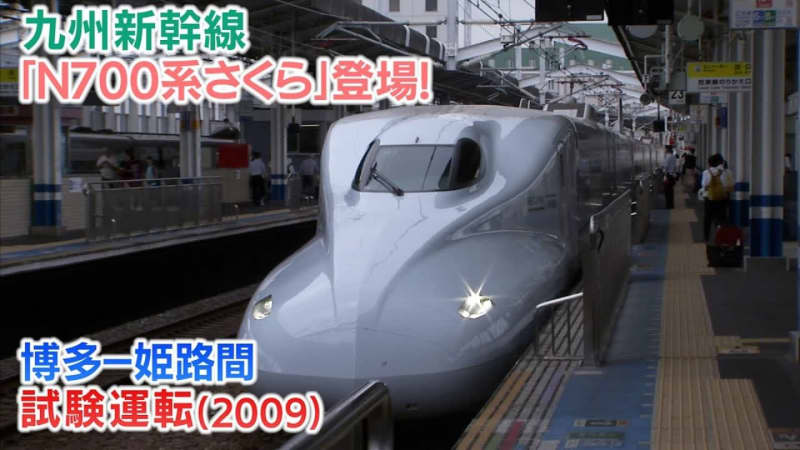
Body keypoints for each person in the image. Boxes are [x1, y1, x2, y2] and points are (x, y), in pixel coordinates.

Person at [700, 153, 734, 242]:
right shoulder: (727, 172)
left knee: (708, 218)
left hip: (709, 199)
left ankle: (706, 238)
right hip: (722, 199)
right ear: (721, 162)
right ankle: (722, 237)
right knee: (722, 218)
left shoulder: (706, 172)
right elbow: (730, 185)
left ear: (710, 163)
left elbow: (704, 185)